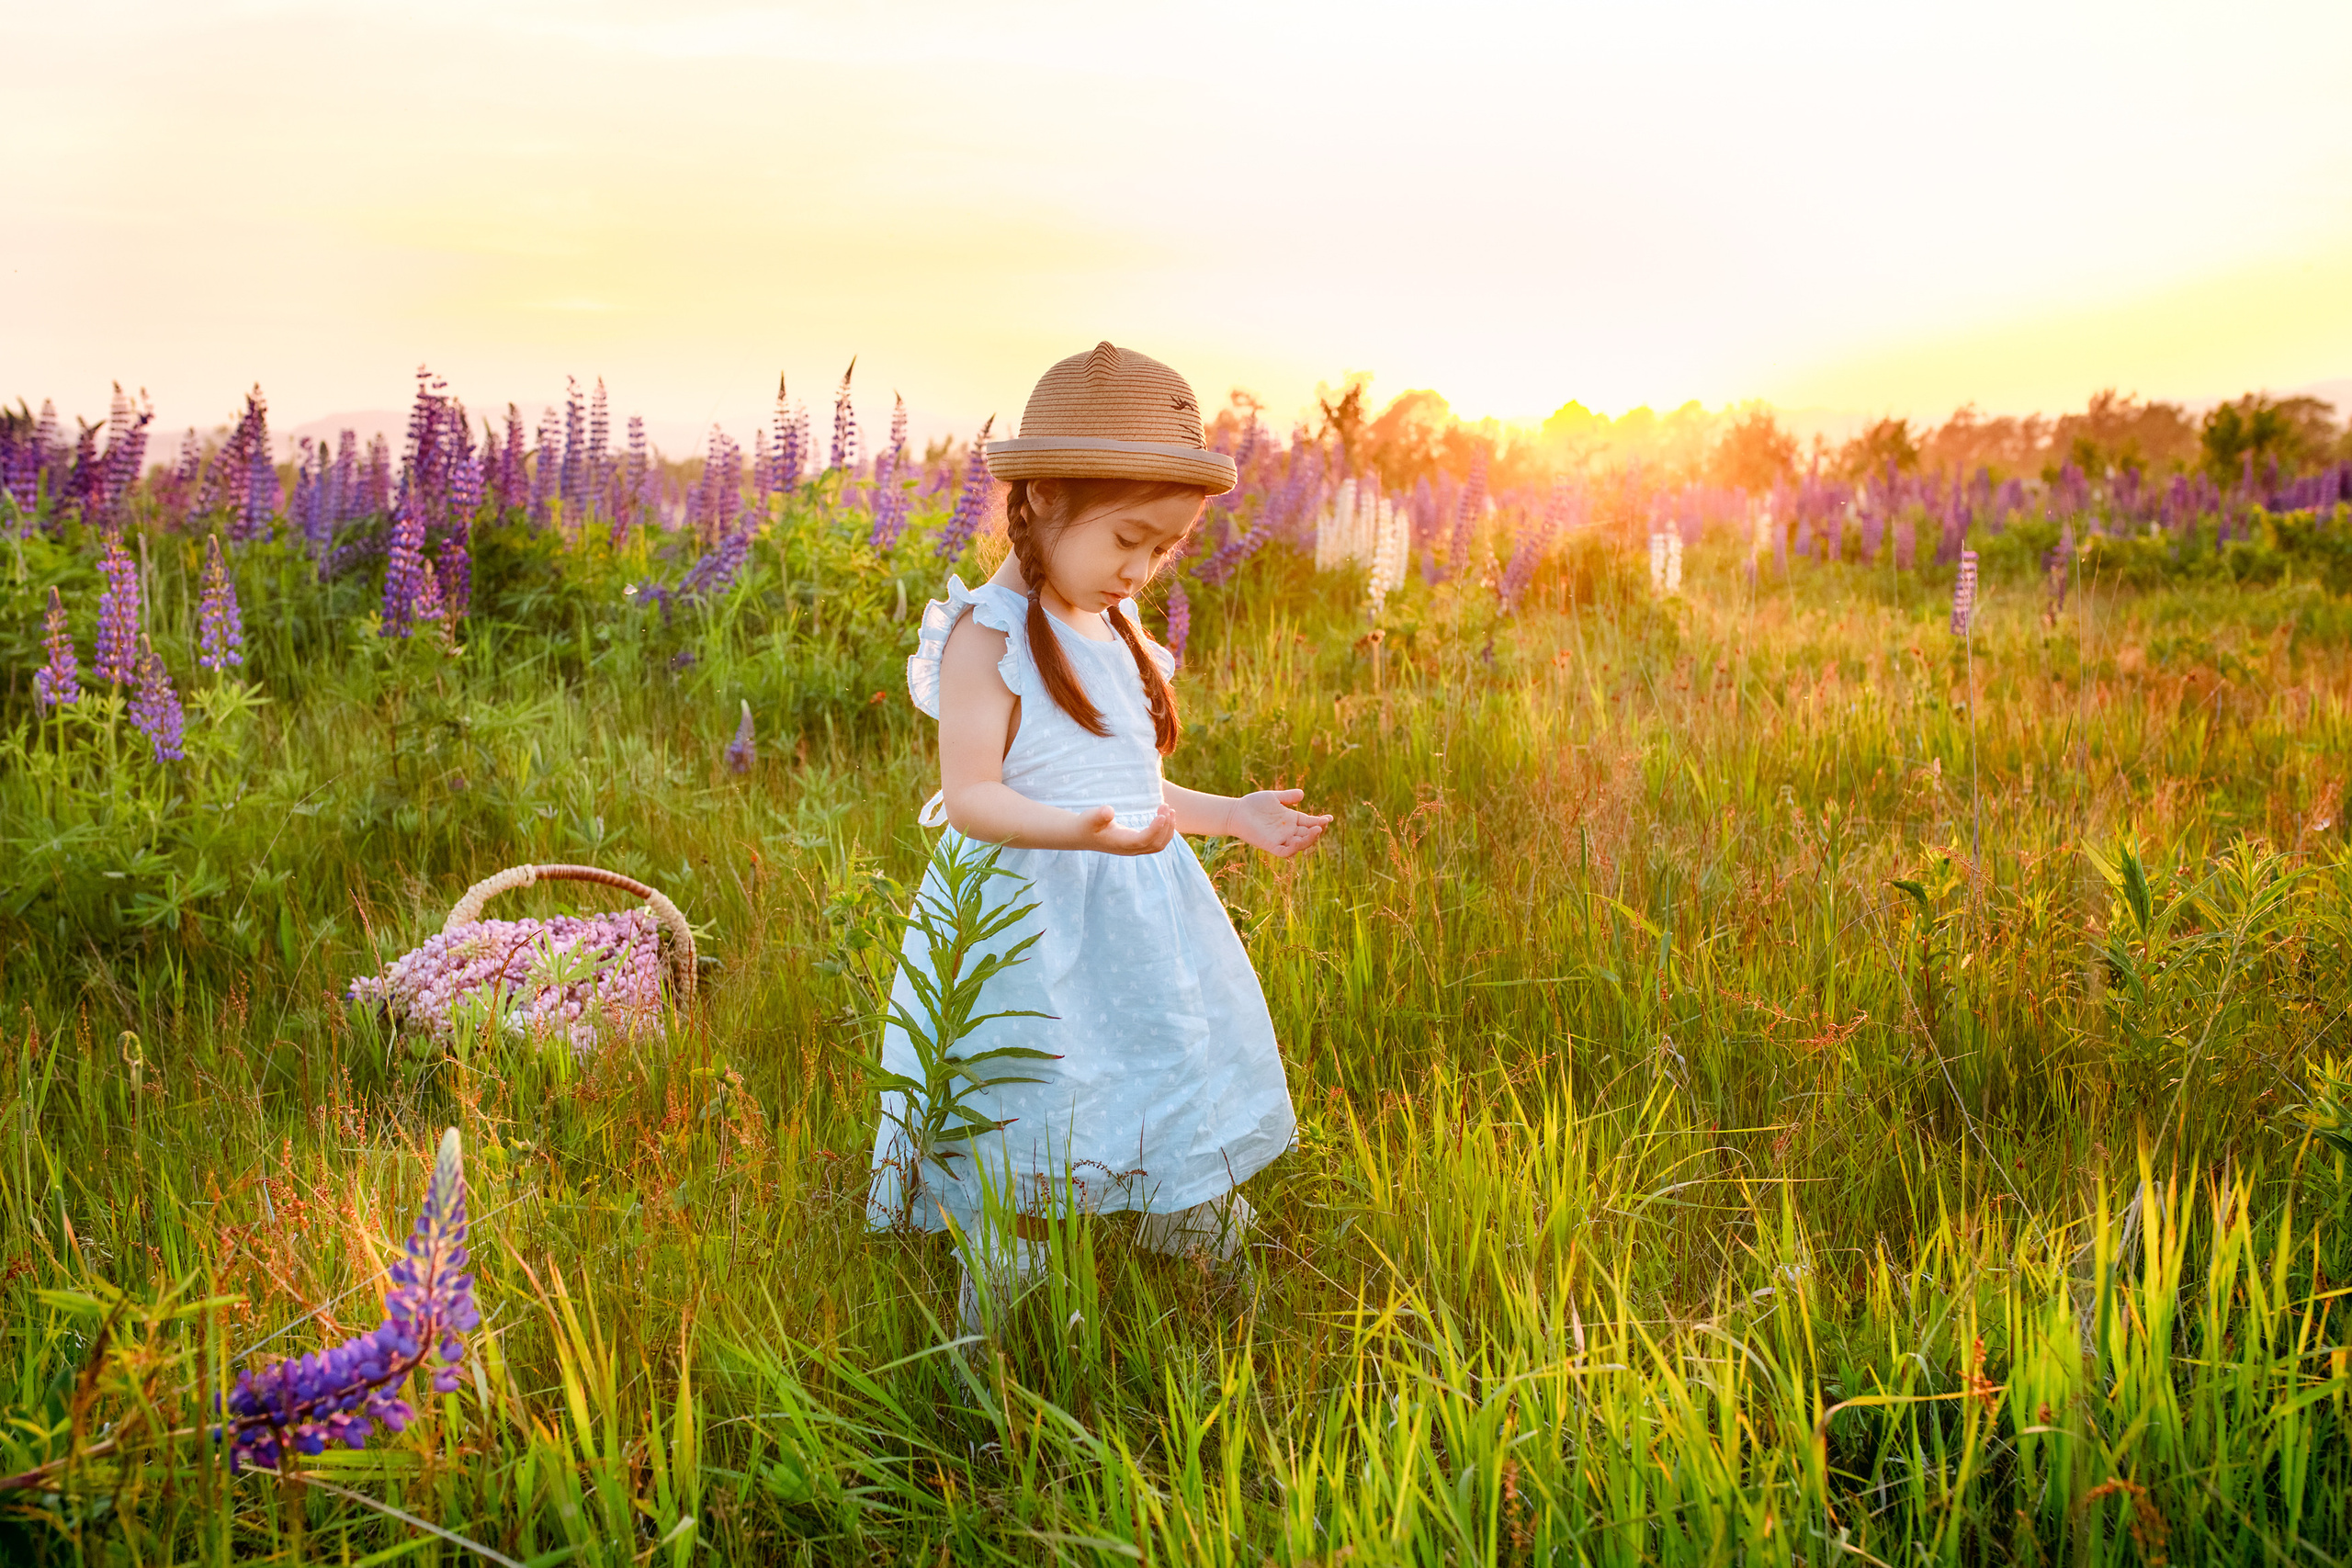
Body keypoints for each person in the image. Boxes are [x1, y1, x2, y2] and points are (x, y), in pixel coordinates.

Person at [865, 342, 1331, 1334]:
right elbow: (972, 797)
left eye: (1163, 550)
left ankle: (1169, 1199)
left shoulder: (1115, 634)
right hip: (1021, 921)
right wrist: (1072, 832)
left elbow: (1135, 788)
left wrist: (1234, 817)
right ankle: (1012, 1249)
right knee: (1033, 1082)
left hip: (1131, 905)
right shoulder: (981, 640)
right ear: (1037, 498)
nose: (1142, 568)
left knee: (1151, 1047)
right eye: (1128, 538)